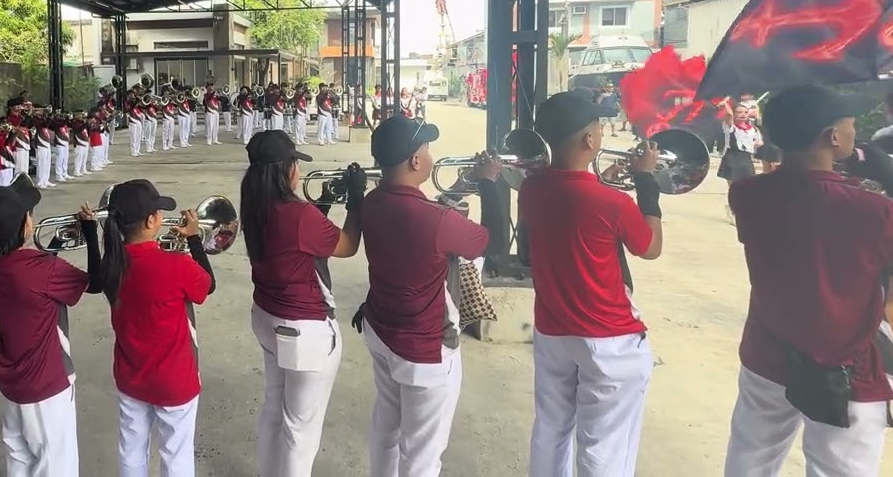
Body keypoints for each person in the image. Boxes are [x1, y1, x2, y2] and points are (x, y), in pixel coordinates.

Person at [723, 85, 893, 475]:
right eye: (850, 125)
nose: (855, 132)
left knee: (750, 458)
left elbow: (807, 200)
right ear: (833, 137)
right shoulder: (873, 210)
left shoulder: (746, 194)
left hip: (767, 356)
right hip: (845, 370)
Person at [520, 91, 664, 477]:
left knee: (550, 430)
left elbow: (571, 204)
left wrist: (603, 182)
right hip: (609, 340)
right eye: (599, 127)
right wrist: (646, 180)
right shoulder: (612, 203)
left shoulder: (531, 189)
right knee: (604, 446)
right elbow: (650, 247)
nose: (601, 133)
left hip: (553, 333)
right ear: (589, 139)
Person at [353, 115, 503, 476]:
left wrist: (466, 183)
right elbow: (494, 241)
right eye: (427, 148)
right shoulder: (436, 220)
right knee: (422, 455)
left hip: (382, 331)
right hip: (426, 349)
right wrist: (489, 183)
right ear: (416, 160)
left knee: (387, 430)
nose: (432, 156)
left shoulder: (372, 202)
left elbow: (428, 213)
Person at [239, 132, 365, 476]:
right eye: (295, 163)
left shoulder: (254, 203)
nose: (298, 170)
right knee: (300, 431)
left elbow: (296, 243)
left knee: (274, 408)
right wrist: (356, 200)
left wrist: (323, 202)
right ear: (285, 170)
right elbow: (348, 245)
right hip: (304, 329)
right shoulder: (300, 215)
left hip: (266, 317)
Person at [0, 177, 103, 476]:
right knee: (56, 466)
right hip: (46, 385)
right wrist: (91, 233)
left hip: (14, 383)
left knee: (20, 462)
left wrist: (57, 242)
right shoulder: (43, 269)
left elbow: (33, 270)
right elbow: (96, 283)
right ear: (26, 226)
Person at [99, 180, 215, 477]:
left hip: (130, 377)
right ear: (151, 221)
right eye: (159, 213)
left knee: (131, 451)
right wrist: (194, 238)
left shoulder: (110, 265)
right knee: (176, 457)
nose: (163, 218)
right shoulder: (176, 265)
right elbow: (207, 285)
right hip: (174, 381)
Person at [718, 97, 763, 224]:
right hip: (732, 157)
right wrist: (725, 104)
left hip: (746, 158)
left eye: (745, 112)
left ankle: (742, 210)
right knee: (734, 187)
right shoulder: (730, 126)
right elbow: (729, 115)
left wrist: (754, 144)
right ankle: (733, 211)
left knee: (748, 187)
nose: (743, 115)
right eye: (739, 112)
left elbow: (759, 142)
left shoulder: (753, 129)